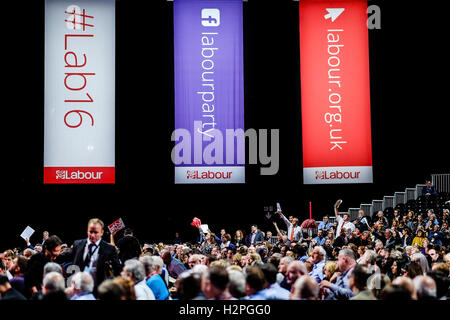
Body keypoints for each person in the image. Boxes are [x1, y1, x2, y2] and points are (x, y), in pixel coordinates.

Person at [56, 218, 122, 289]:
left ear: (102, 232)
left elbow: (117, 270)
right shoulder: (78, 244)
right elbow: (62, 257)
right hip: (79, 288)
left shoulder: (109, 249)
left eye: (96, 232)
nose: (92, 235)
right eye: (90, 232)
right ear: (87, 231)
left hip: (99, 289)